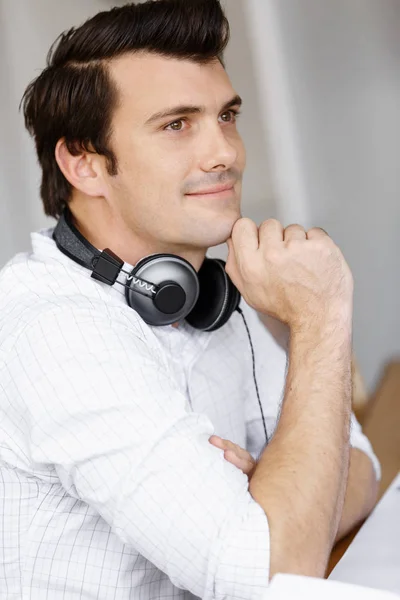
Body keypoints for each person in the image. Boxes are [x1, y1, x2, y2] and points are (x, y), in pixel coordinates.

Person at [0, 1, 380, 598]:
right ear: (84, 162)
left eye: (226, 116)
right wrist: (319, 318)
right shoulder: (57, 330)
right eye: (177, 125)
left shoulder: (209, 292)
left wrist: (277, 501)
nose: (225, 152)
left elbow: (361, 466)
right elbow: (270, 576)